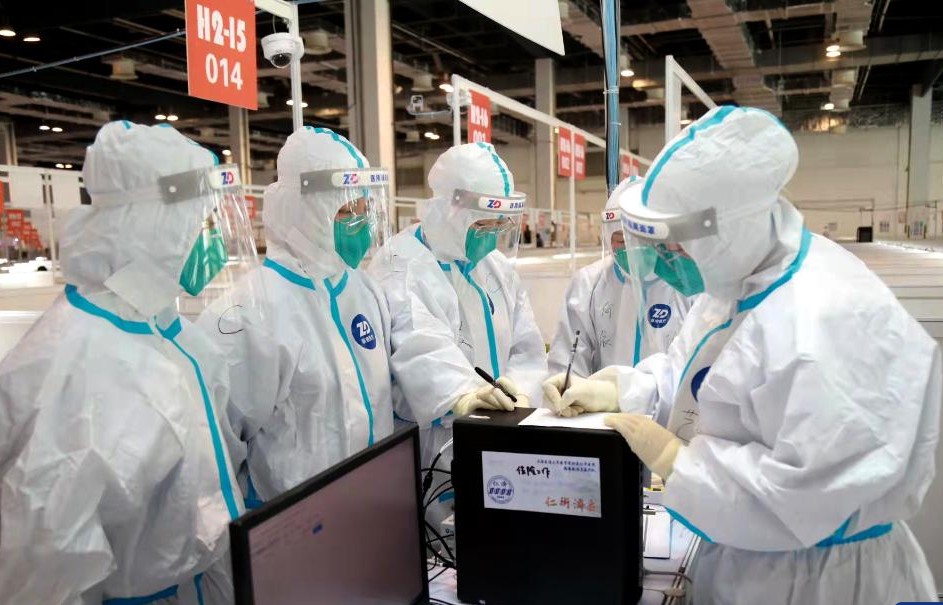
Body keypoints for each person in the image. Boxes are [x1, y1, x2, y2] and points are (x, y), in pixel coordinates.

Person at [544, 106, 940, 603]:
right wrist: (619, 389)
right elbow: (692, 376)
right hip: (745, 559)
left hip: (817, 579)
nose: (666, 265)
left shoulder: (824, 318)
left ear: (727, 229)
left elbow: (799, 497)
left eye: (676, 248)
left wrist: (677, 460)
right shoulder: (737, 282)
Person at [0, 121, 247, 604]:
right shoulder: (77, 365)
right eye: (202, 224)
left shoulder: (161, 332)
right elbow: (45, 573)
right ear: (150, 225)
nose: (212, 243)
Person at [197, 126, 394, 507]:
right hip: (295, 529)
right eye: (345, 211)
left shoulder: (364, 291)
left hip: (375, 510)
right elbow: (217, 451)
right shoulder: (249, 315)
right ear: (306, 212)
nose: (360, 223)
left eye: (364, 208)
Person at [368, 142, 546, 511]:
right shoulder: (402, 264)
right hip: (436, 446)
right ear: (452, 210)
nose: (493, 234)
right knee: (442, 546)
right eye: (484, 224)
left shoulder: (495, 267)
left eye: (500, 225)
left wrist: (521, 395)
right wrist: (464, 395)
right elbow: (419, 344)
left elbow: (526, 346)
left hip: (504, 431)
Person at [547, 177, 691, 398]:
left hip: (664, 414)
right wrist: (568, 395)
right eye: (621, 241)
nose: (632, 250)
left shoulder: (683, 284)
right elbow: (568, 358)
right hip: (600, 414)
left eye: (640, 240)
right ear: (607, 236)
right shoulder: (589, 284)